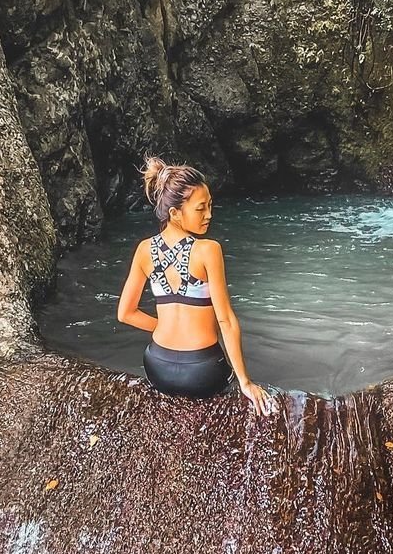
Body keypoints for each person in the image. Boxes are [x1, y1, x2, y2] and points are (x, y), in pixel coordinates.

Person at [116, 156, 276, 417]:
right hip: (202, 372)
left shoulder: (145, 249)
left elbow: (125, 314)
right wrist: (245, 381)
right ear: (175, 213)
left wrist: (164, 328)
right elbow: (226, 321)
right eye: (201, 209)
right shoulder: (208, 250)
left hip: (156, 367)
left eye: (210, 206)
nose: (209, 215)